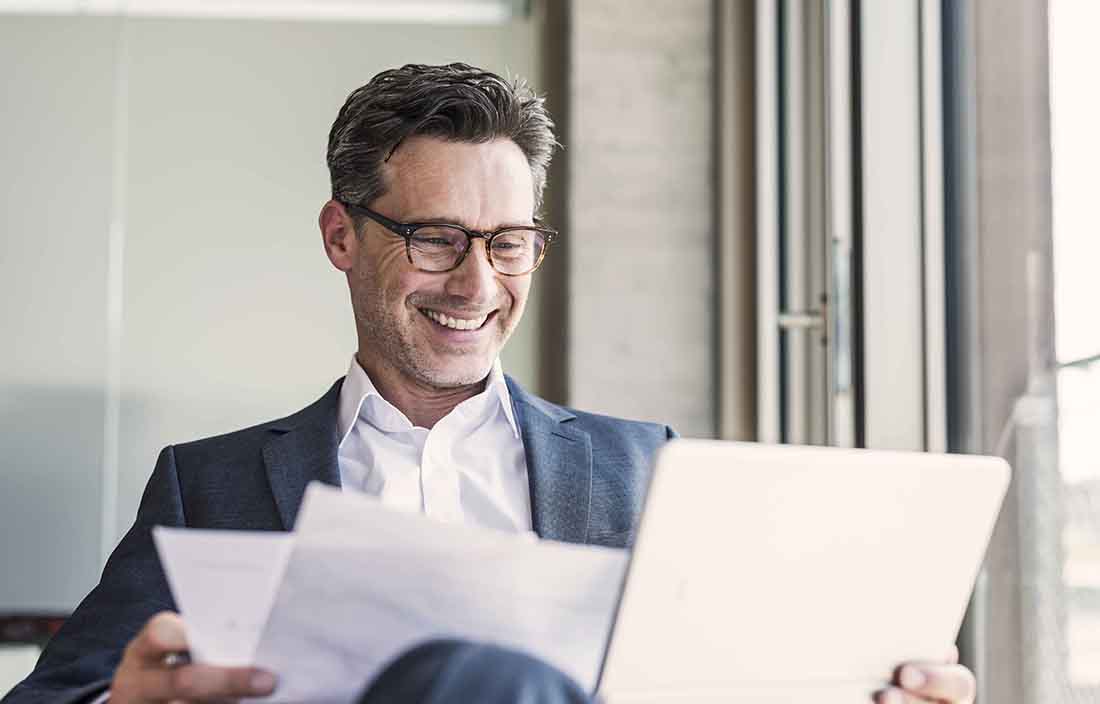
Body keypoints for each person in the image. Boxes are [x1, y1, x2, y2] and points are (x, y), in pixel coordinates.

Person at [3, 63, 976, 704]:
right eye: (435, 239)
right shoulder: (205, 484)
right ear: (342, 236)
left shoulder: (648, 467)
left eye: (506, 243)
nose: (475, 285)